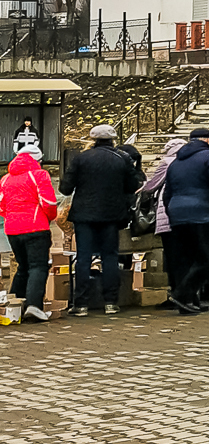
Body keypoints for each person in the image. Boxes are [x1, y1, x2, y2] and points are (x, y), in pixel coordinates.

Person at [60, 123, 141, 316]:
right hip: (111, 215)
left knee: (83, 258)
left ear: (93, 139)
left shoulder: (80, 158)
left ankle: (80, 304)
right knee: (110, 257)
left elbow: (65, 188)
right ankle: (111, 302)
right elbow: (132, 186)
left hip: (84, 216)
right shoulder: (122, 158)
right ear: (113, 139)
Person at [162, 127, 209, 314]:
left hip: (177, 214)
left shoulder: (175, 163)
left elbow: (167, 194)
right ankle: (182, 294)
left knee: (185, 259)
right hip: (202, 214)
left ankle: (189, 302)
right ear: (208, 141)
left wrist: (172, 213)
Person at [2, 141, 59, 322]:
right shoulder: (39, 175)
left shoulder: (5, 179)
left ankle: (14, 305)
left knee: (23, 267)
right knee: (38, 266)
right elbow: (48, 203)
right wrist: (48, 218)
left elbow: (2, 205)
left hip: (12, 229)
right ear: (37, 160)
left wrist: (11, 217)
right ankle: (34, 306)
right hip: (36, 226)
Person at [139, 137, 187, 309]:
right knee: (185, 255)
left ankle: (175, 294)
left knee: (172, 257)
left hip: (168, 214)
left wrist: (140, 189)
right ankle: (186, 293)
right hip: (188, 216)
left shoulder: (168, 162)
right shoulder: (190, 161)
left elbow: (152, 186)